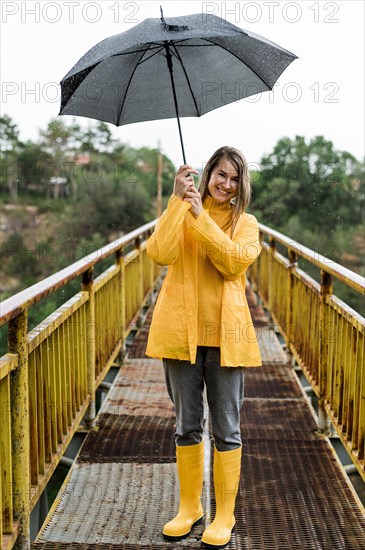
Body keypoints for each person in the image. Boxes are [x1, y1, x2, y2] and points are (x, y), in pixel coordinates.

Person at [145, 146, 262, 549]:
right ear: (208, 173)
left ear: (240, 185)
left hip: (226, 338)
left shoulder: (246, 224)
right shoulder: (183, 207)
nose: (225, 184)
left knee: (227, 429)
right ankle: (189, 507)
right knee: (187, 425)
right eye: (220, 175)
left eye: (233, 179)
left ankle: (224, 514)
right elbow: (159, 253)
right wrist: (178, 203)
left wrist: (200, 218)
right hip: (182, 335)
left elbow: (232, 263)